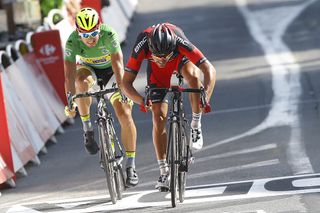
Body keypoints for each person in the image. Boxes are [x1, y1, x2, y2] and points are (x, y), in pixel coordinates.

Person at [122, 23, 216, 191]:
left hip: (180, 60)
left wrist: (205, 97)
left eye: (166, 56)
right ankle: (164, 170)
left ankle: (195, 124)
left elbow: (209, 69)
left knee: (194, 78)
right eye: (159, 56)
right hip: (158, 75)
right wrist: (141, 100)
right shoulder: (142, 45)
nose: (163, 60)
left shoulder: (179, 41)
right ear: (151, 50)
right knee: (158, 118)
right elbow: (125, 83)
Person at [63, 7, 138, 187]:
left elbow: (118, 65)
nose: (90, 39)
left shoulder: (109, 34)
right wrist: (70, 100)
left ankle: (131, 164)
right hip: (89, 70)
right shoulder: (72, 41)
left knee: (125, 114)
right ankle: (87, 128)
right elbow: (69, 76)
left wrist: (123, 90)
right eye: (85, 35)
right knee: (80, 83)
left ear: (99, 27)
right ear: (78, 32)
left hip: (112, 72)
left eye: (94, 33)